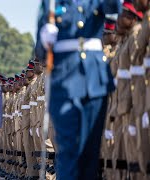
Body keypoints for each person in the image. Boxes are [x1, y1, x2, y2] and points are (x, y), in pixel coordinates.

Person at [37, 0, 121, 179]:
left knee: (90, 154)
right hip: (64, 80)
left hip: (95, 80)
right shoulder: (51, 3)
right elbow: (40, 52)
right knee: (68, 150)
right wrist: (44, 40)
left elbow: (114, 8)